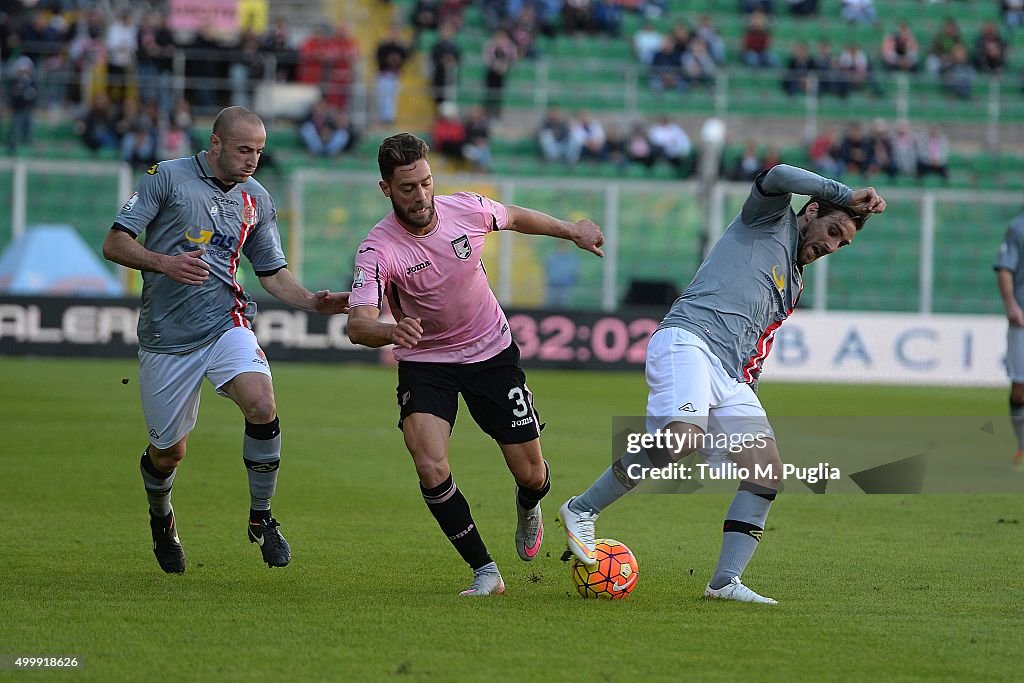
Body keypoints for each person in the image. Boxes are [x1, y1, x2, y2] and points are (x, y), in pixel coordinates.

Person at [559, 164, 885, 604]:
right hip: (689, 340)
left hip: (731, 375)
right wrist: (845, 192)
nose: (832, 245)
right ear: (810, 211)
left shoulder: (794, 283)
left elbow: (757, 346)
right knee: (681, 440)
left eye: (842, 243)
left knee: (766, 474)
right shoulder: (767, 218)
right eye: (832, 231)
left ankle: (724, 582)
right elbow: (778, 173)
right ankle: (582, 509)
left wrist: (743, 398)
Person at [346, 133, 604, 596]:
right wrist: (390, 331)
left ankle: (529, 504)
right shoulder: (377, 249)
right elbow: (358, 325)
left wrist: (571, 230)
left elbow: (516, 216)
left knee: (532, 474)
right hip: (426, 361)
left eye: (425, 182)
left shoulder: (465, 208)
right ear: (385, 188)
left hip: (491, 353)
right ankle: (485, 571)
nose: (421, 195)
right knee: (429, 464)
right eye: (407, 187)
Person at [102, 107, 351, 574]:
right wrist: (164, 263)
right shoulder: (166, 178)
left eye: (259, 151)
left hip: (226, 323)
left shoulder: (256, 197)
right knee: (169, 453)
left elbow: (272, 273)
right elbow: (115, 243)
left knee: (262, 403)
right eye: (244, 150)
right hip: (167, 337)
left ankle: (262, 517)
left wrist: (314, 303)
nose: (253, 160)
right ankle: (161, 517)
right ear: (215, 144)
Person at [994, 212, 1024, 469]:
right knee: (1020, 389)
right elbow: (1005, 268)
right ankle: (1022, 445)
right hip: (1022, 319)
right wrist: (1011, 305)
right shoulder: (1018, 227)